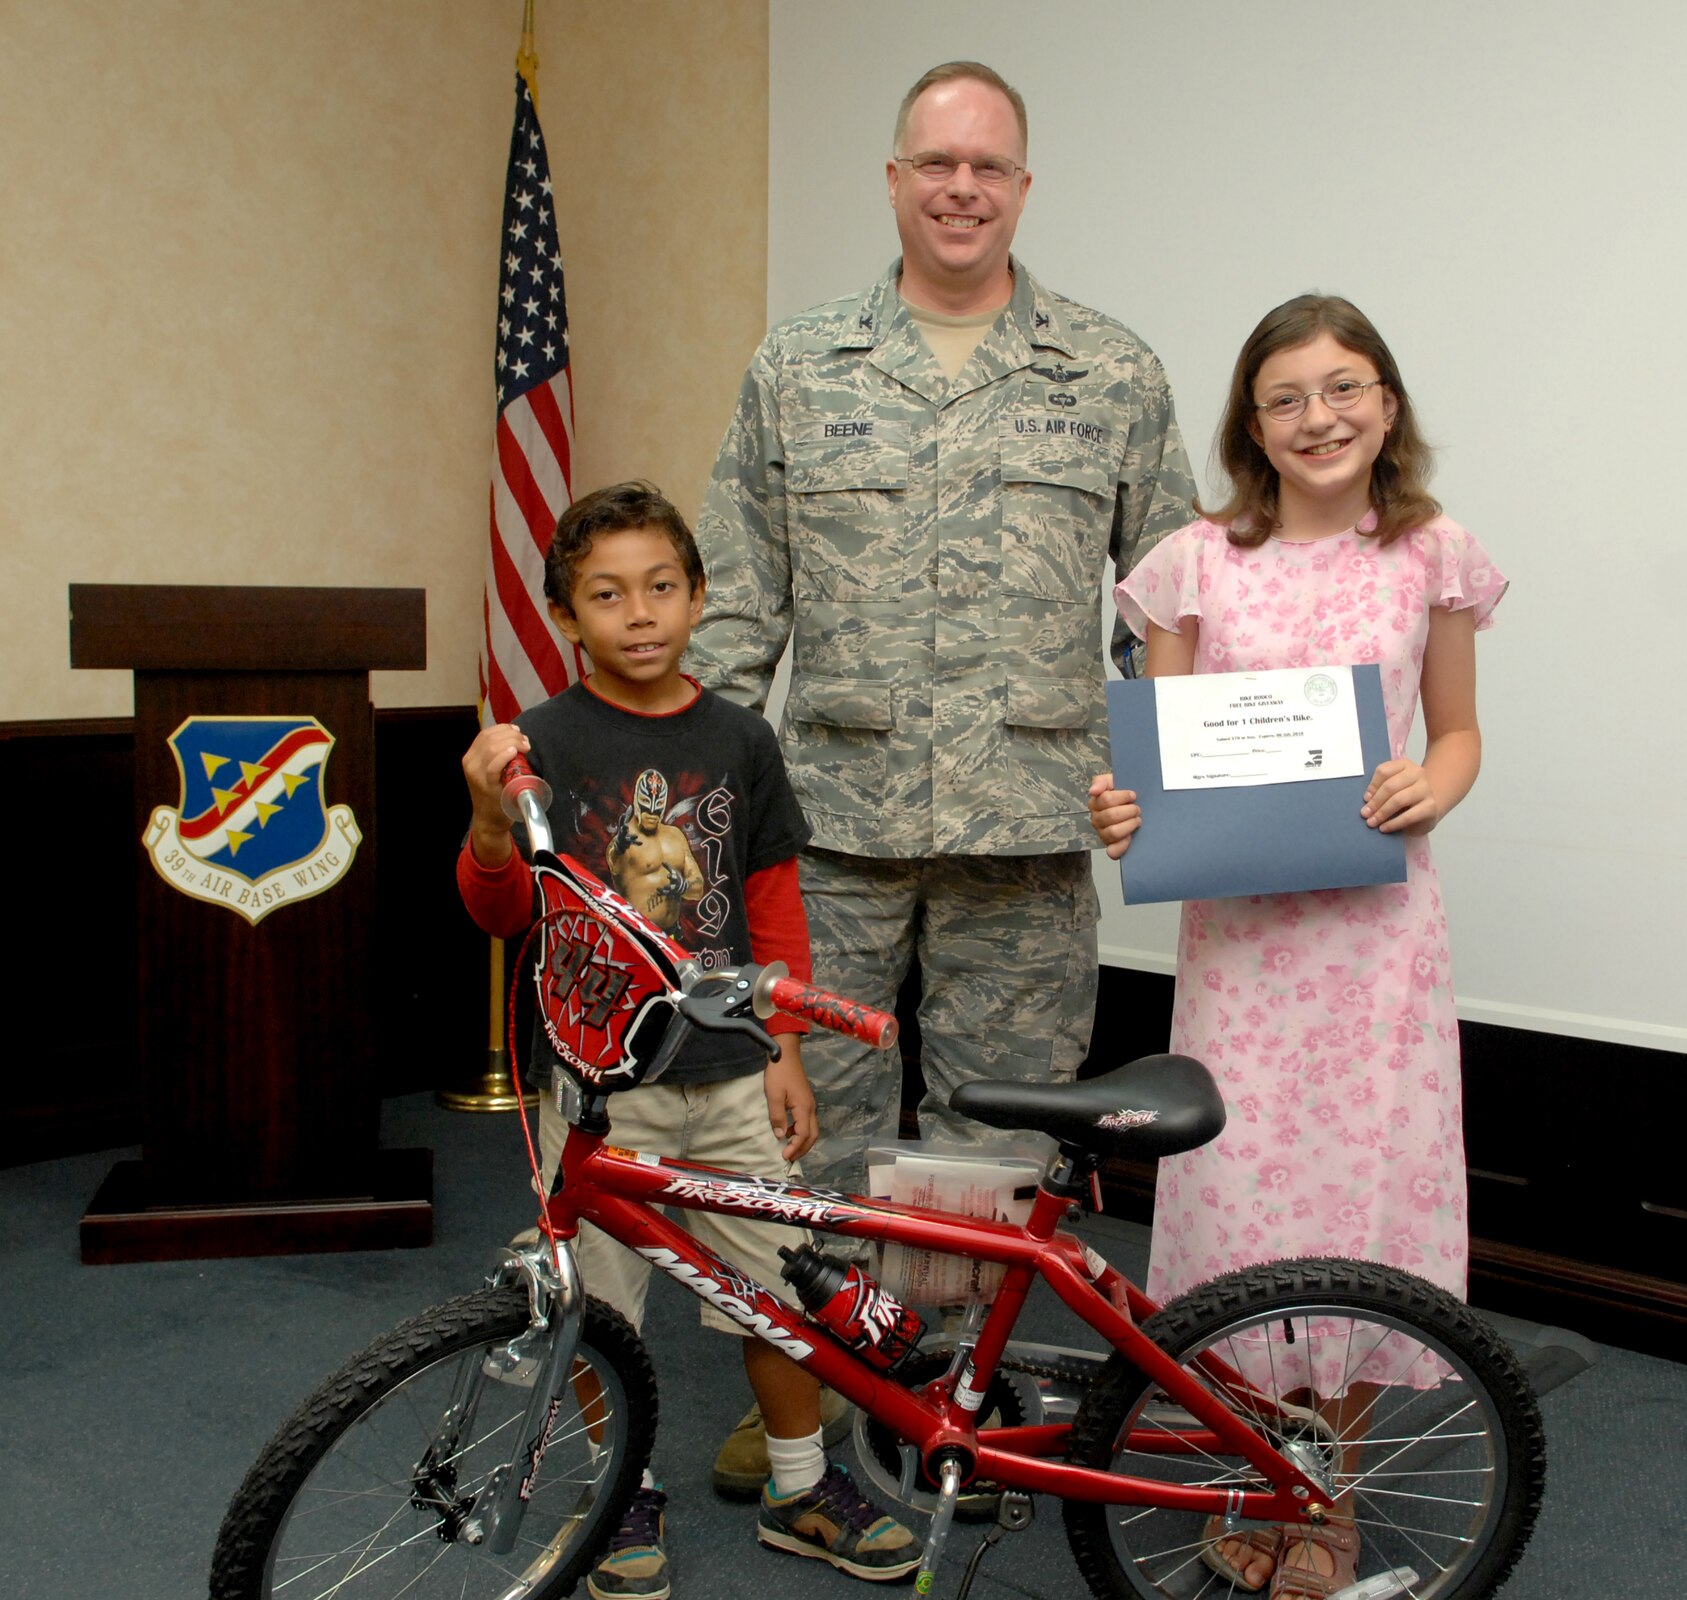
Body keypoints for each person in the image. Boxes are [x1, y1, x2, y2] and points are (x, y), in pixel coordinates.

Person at [686, 60, 1195, 1493]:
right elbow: (737, 610)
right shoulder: (800, 367)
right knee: (818, 1132)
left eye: (990, 166)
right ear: (895, 180)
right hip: (829, 830)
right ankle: (814, 1407)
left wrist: (1163, 776)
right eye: (937, 163)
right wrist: (696, 830)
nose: (963, 187)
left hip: (1026, 832)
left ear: (1023, 188)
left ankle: (957, 1395)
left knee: (995, 1139)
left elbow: (1171, 614)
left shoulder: (1111, 371)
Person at [1088, 296, 1506, 1599]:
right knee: (1236, 1205)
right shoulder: (1191, 566)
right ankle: (1245, 1468)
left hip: (1375, 948)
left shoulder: (1430, 553)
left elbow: (1456, 733)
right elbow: (1156, 766)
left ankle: (1331, 1493)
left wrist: (1434, 787)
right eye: (1286, 396)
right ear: (1250, 424)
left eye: (1344, 388)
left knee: (1354, 1211)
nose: (1318, 417)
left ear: (1386, 403)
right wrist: (1123, 811)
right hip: (1246, 957)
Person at [458, 483, 919, 1597]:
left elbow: (771, 908)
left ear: (699, 594)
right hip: (602, 1080)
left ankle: (801, 1485)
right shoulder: (543, 743)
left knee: (781, 1290)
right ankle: (621, 1490)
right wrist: (485, 819)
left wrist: (788, 1048)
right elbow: (500, 913)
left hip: (726, 1072)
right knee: (602, 1308)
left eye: (661, 586)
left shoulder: (741, 737)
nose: (639, 613)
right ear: (568, 616)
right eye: (606, 594)